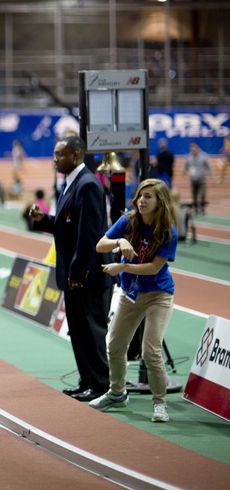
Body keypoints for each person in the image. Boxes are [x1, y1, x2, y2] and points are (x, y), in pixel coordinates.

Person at [29, 135, 110, 402]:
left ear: (75, 155)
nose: (54, 159)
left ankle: (100, 384)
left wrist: (78, 272)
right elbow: (67, 225)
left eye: (59, 154)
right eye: (54, 154)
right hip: (72, 274)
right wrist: (43, 221)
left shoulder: (87, 185)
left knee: (91, 331)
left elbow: (88, 235)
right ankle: (86, 379)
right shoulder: (69, 184)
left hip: (86, 276)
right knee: (77, 330)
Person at [90, 178, 177, 423]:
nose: (142, 200)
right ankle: (117, 393)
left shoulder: (168, 231)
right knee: (115, 346)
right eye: (140, 195)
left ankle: (160, 403)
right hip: (131, 294)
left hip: (158, 295)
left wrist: (123, 266)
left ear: (160, 202)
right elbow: (100, 245)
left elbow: (153, 268)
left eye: (148, 196)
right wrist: (120, 241)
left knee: (150, 351)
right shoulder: (128, 220)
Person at [181, 142, 214, 216]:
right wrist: (183, 171)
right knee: (194, 196)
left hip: (202, 180)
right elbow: (185, 165)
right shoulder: (189, 157)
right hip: (193, 179)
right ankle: (195, 210)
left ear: (197, 148)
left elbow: (209, 167)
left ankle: (202, 210)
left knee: (202, 195)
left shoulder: (203, 156)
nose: (193, 150)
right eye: (191, 149)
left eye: (194, 148)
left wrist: (212, 176)